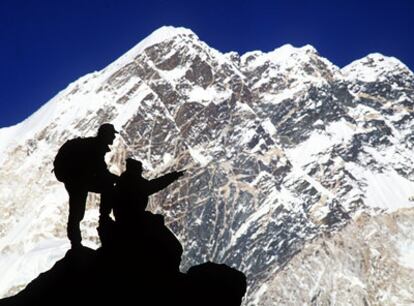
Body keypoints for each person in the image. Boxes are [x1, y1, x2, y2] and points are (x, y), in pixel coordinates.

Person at [53, 123, 119, 248]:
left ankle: (76, 243)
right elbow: (101, 171)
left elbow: (100, 171)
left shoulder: (93, 144)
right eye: (112, 134)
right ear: (106, 134)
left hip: (76, 180)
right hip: (79, 181)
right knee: (77, 212)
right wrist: (116, 179)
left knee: (76, 212)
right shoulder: (96, 147)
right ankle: (102, 219)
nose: (114, 137)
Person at [110, 158, 185, 224]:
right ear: (135, 170)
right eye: (139, 170)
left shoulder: (123, 181)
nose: (141, 171)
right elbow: (156, 184)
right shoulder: (134, 183)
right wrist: (174, 176)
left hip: (126, 218)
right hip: (132, 219)